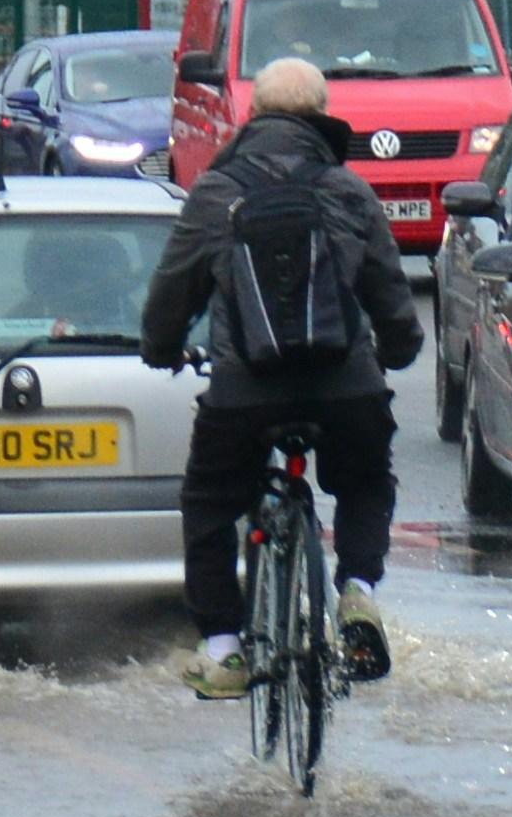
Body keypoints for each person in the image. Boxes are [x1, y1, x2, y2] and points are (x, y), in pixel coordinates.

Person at [141, 56, 419, 699]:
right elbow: (391, 297)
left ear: (254, 115)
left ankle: (223, 648)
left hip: (245, 392)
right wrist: (397, 353)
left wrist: (160, 348)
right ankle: (357, 589)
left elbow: (171, 293)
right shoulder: (347, 188)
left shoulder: (216, 192)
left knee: (210, 502)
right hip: (345, 384)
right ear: (323, 117)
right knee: (365, 481)